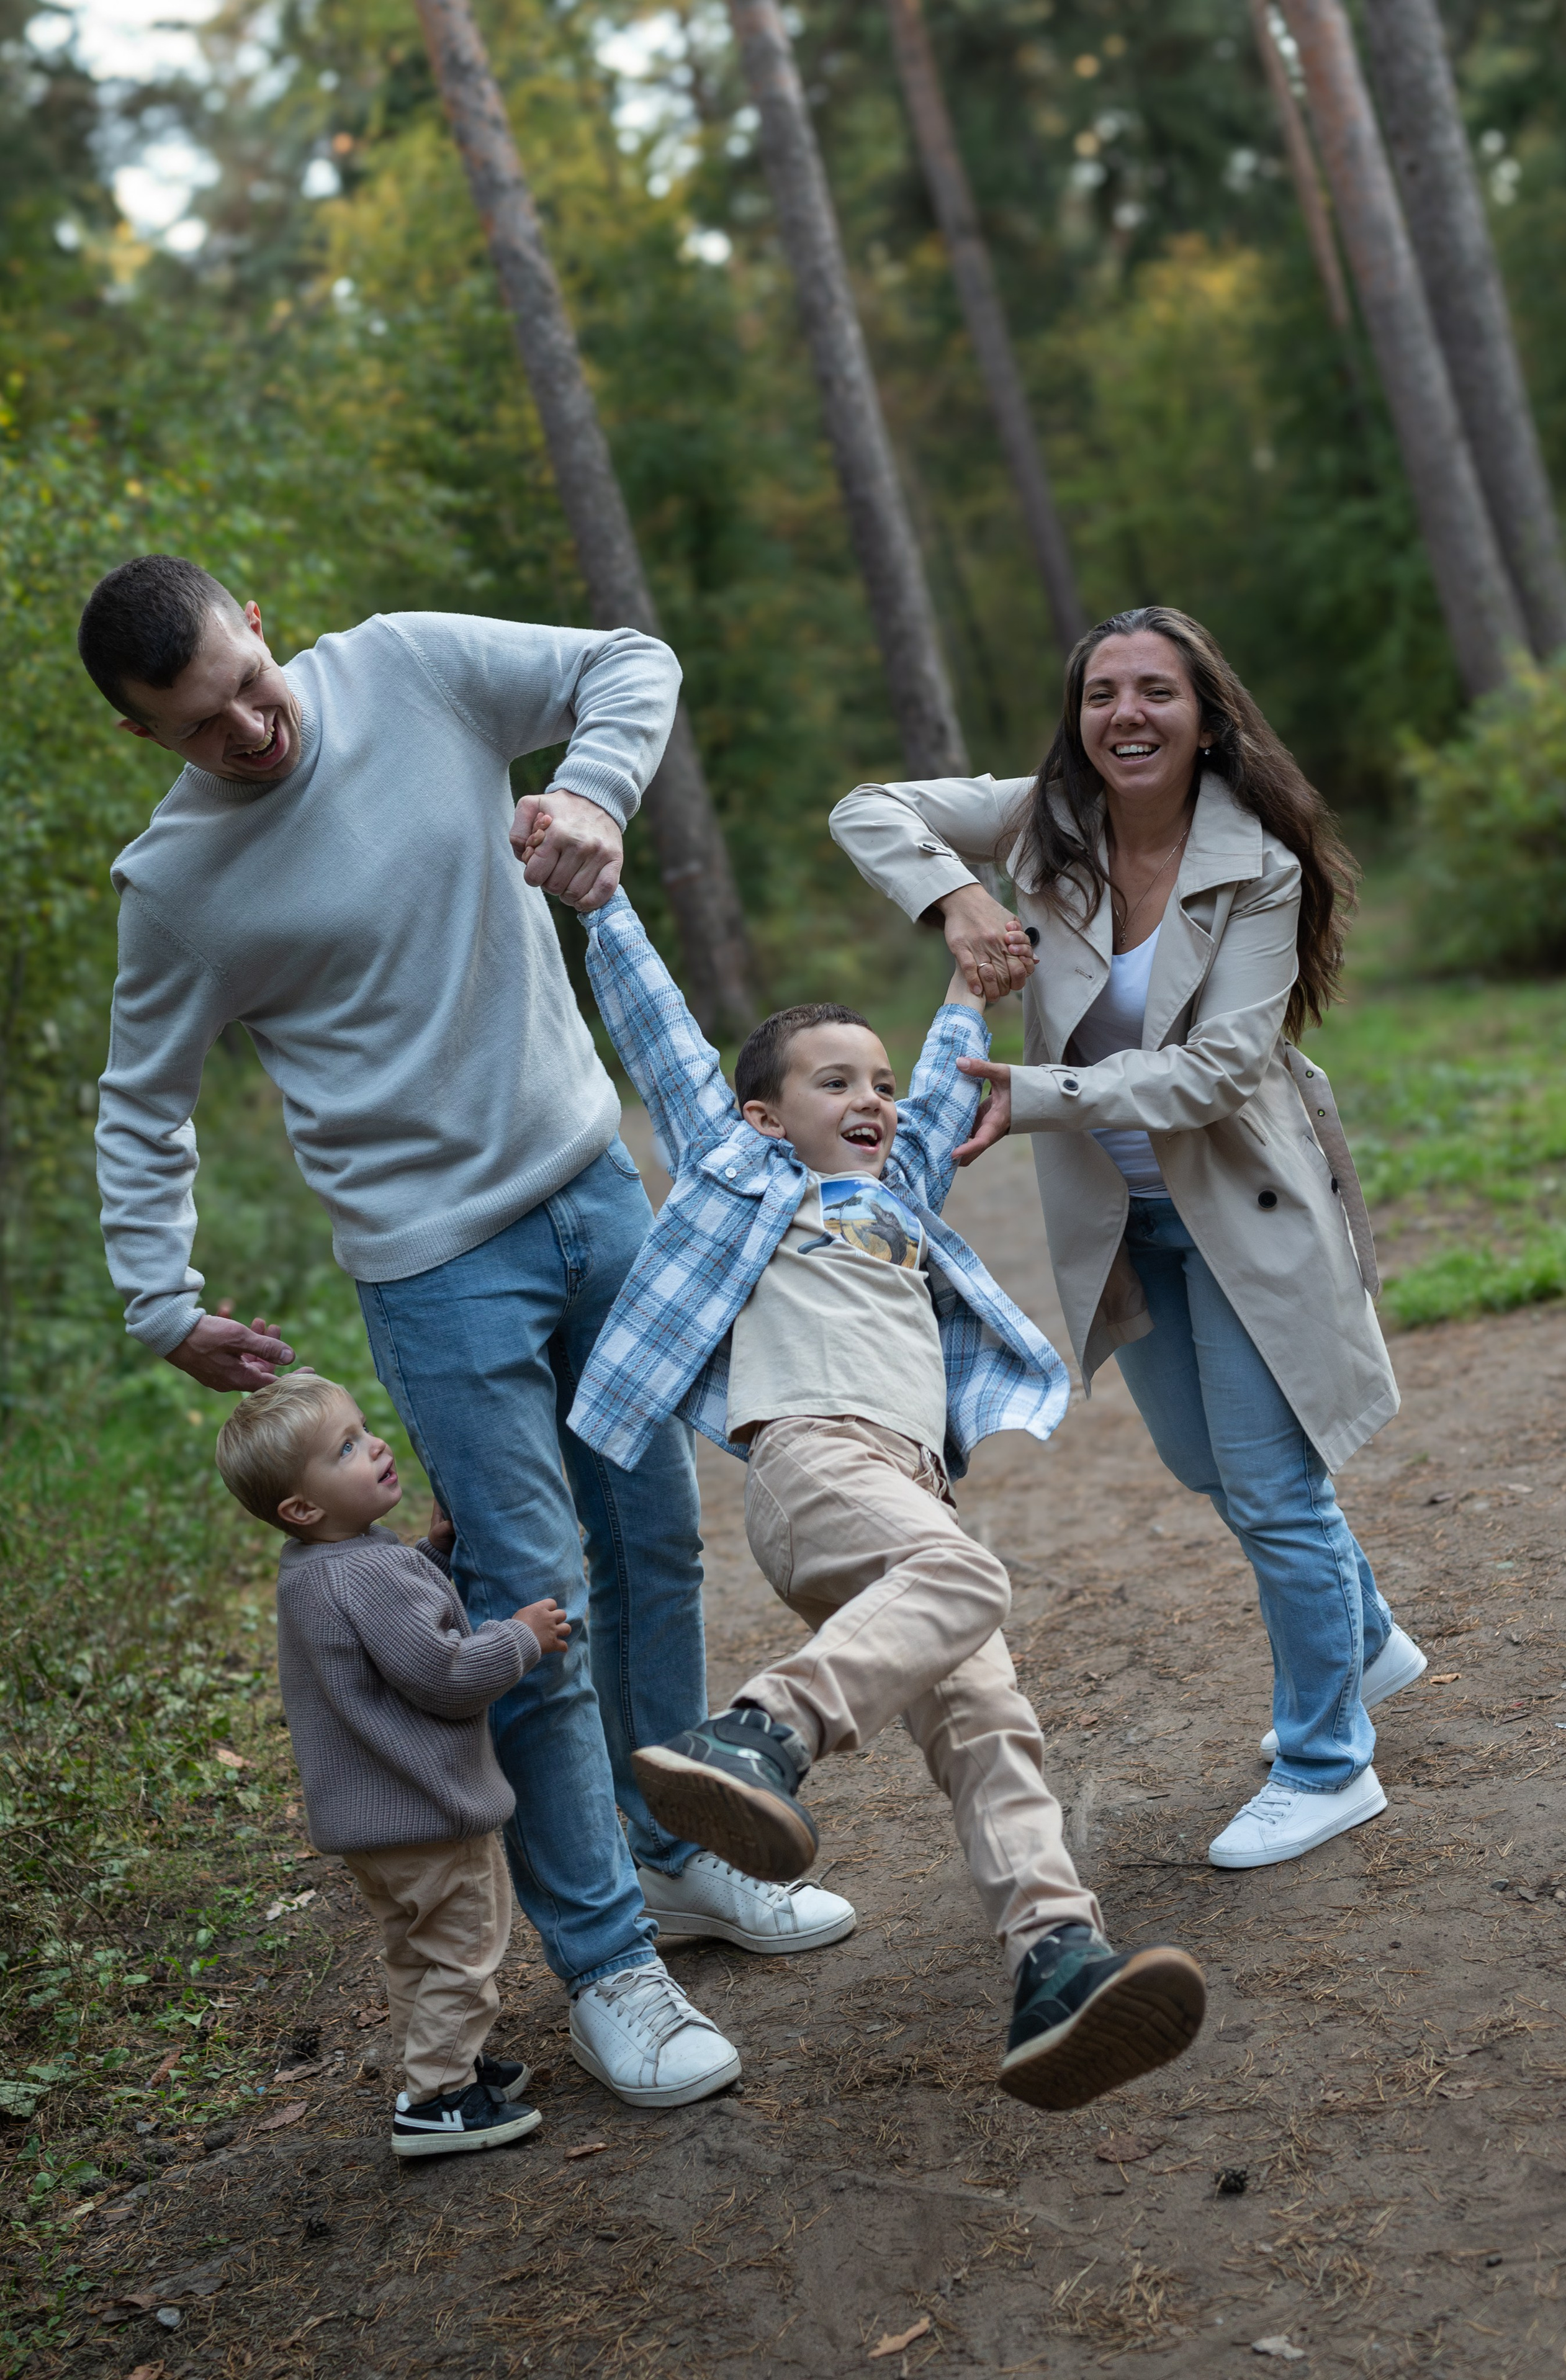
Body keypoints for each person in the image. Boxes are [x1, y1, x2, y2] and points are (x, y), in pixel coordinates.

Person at [79, 554, 853, 2111]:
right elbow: (141, 1100)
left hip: (595, 1184)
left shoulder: (407, 666)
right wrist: (159, 1296)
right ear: (145, 735)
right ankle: (607, 1962)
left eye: (248, 679)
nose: (248, 728)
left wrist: (594, 793)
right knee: (531, 1601)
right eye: (197, 726)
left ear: (258, 616)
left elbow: (631, 661)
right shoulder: (178, 885)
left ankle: (679, 1850)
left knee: (654, 1546)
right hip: (434, 1264)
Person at [544, 869, 1206, 2114]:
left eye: (882, 1086)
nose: (871, 1101)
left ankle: (1053, 1961)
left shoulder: (898, 1202)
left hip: (901, 1497)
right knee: (967, 1577)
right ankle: (759, 1730)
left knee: (991, 1726)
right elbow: (656, 1035)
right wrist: (601, 901)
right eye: (835, 1082)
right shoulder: (741, 1175)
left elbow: (952, 1069)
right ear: (759, 1113)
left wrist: (969, 985)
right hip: (811, 1466)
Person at [830, 604, 1424, 1871]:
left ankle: (1329, 1760)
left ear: (1206, 718)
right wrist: (952, 900)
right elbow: (865, 807)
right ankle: (1362, 1638)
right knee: (1209, 1469)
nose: (1126, 715)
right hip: (1122, 1219)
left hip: (1240, 1210)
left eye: (1155, 691)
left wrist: (1030, 1094)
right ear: (1076, 717)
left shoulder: (1253, 862)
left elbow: (1214, 1070)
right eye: (1102, 693)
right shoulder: (1045, 823)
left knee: (1272, 1489)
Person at [216, 1369, 567, 2157]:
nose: (374, 1444)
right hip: (426, 1811)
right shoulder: (365, 1572)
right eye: (345, 1448)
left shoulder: (317, 1567)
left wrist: (431, 1554)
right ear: (302, 1508)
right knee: (465, 1948)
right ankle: (439, 2098)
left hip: (373, 1822)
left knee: (415, 1948)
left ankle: (442, 2064)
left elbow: (384, 1626)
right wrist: (521, 1637)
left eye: (363, 1428)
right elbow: (444, 1675)